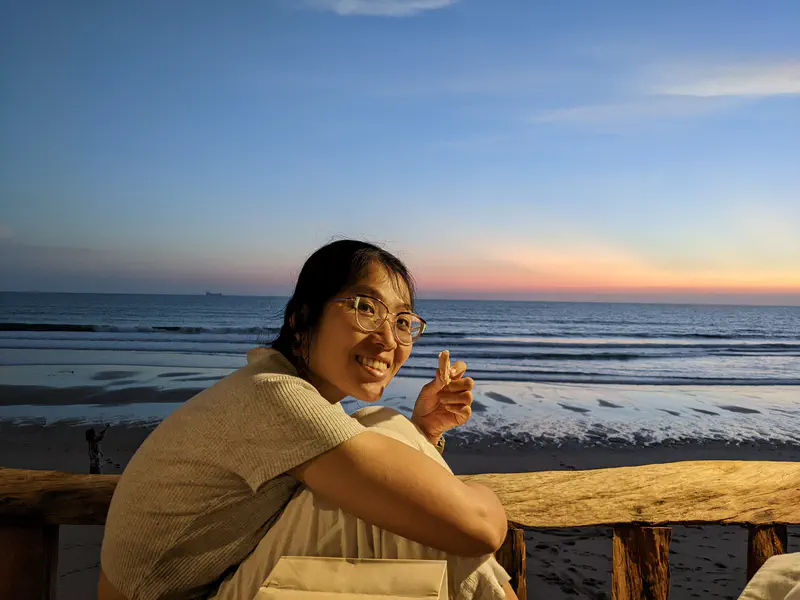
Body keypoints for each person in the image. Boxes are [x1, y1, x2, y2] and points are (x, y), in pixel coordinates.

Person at [98, 240, 513, 600]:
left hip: (221, 579)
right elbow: (478, 529)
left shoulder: (285, 394)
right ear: (302, 319)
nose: (388, 339)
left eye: (403, 321)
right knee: (385, 430)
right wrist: (487, 501)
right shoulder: (273, 397)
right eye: (365, 308)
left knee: (383, 435)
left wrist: (425, 431)